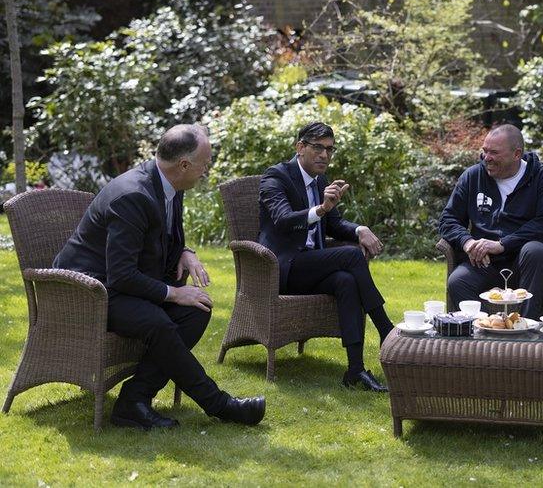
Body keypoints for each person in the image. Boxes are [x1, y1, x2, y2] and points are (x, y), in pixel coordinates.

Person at [54, 124, 265, 430]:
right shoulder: (132, 196)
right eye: (204, 164)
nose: (206, 170)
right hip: (89, 292)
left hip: (119, 283)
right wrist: (175, 293)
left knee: (196, 311)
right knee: (159, 322)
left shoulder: (169, 185)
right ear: (184, 165)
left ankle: (133, 401)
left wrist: (186, 252)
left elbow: (165, 238)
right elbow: (122, 275)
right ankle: (219, 405)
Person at [258, 122, 393, 392]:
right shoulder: (276, 177)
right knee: (353, 257)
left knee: (346, 281)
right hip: (282, 269)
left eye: (330, 150)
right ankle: (386, 329)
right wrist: (320, 209)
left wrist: (359, 229)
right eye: (318, 148)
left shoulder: (320, 181)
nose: (324, 155)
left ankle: (355, 370)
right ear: (300, 148)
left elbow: (335, 225)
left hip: (311, 265)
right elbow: (283, 220)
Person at [439, 124, 543, 319]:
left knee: (536, 250)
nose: (487, 158)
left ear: (516, 154)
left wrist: (502, 245)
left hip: (523, 263)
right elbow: (448, 219)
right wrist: (468, 242)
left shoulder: (541, 179)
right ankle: (487, 330)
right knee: (458, 281)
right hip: (483, 262)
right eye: (485, 151)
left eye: (494, 153)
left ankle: (527, 330)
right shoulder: (473, 177)